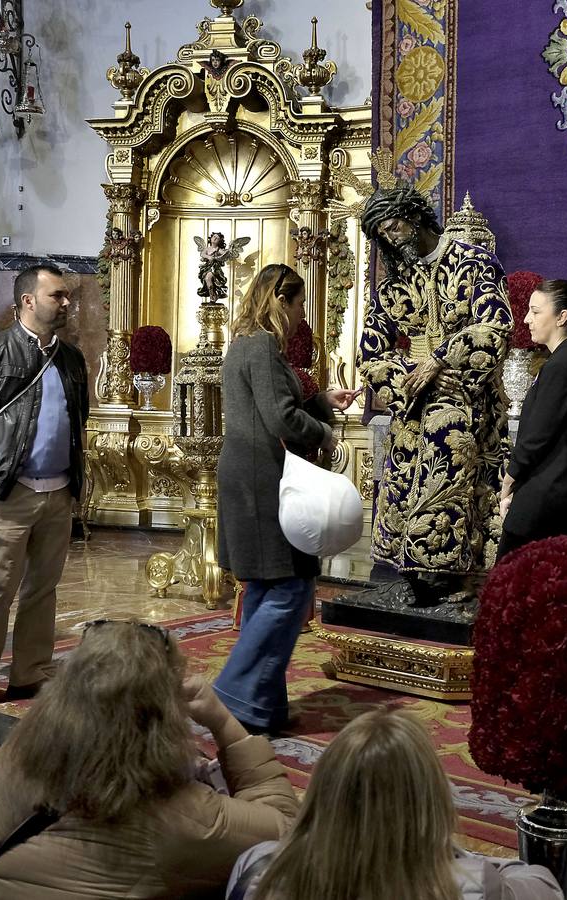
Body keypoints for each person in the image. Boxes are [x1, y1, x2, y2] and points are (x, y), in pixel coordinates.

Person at [0, 620, 299, 898]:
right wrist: (225, 723)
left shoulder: (16, 754)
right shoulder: (186, 818)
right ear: (164, 713)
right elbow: (287, 831)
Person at [214, 263, 356, 733]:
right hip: (261, 483)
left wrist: (320, 402)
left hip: (251, 477)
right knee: (292, 588)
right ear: (280, 301)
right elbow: (279, 419)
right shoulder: (262, 349)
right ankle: (233, 689)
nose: (299, 315)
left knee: (266, 586)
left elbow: (272, 409)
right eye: (297, 304)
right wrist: (325, 434)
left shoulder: (246, 346)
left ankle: (261, 708)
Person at [358, 182, 511, 604]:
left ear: (415, 217)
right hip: (415, 406)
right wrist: (412, 374)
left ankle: (463, 578)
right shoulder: (392, 286)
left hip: (469, 403)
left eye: (394, 227)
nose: (391, 239)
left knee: (465, 485)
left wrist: (441, 360)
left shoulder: (474, 261)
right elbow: (370, 353)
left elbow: (496, 327)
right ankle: (415, 574)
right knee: (405, 488)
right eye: (382, 235)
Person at [227, 708, 563, 900]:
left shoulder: (258, 867)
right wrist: (449, 851)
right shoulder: (472, 883)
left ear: (322, 793)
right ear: (430, 802)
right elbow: (545, 886)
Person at [0, 264, 89, 713]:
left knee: (42, 589)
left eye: (67, 296)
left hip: (58, 491)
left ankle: (29, 671)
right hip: (10, 492)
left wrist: (76, 484)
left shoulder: (71, 358)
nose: (66, 303)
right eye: (57, 296)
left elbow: (77, 423)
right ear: (28, 301)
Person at [498, 279, 567, 561]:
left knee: (512, 587)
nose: (526, 320)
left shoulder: (565, 364)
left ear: (562, 317)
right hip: (555, 495)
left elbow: (538, 435)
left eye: (535, 312)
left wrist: (509, 481)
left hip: (548, 500)